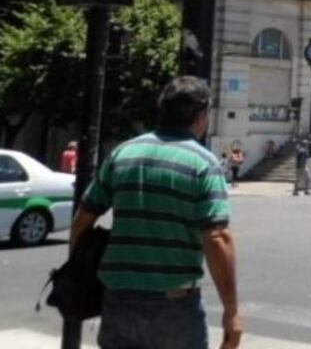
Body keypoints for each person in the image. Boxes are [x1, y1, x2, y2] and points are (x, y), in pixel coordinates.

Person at [69, 76, 241, 349]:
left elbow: (82, 220)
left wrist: (80, 272)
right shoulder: (203, 163)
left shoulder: (123, 153)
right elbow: (217, 238)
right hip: (174, 305)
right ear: (201, 116)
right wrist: (231, 312)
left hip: (118, 300)